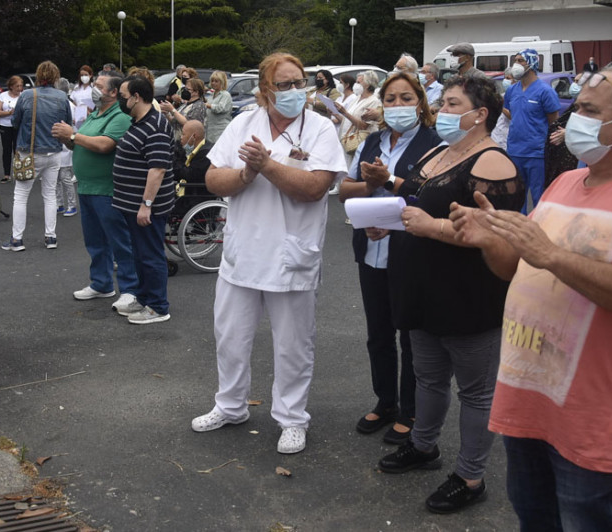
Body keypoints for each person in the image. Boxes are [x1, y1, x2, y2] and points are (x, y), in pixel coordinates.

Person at [450, 64, 612, 530]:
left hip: (592, 414)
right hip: (528, 399)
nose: (570, 118)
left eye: (586, 109)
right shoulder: (566, 183)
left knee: (589, 520)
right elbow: (517, 267)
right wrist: (490, 239)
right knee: (534, 517)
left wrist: (551, 255)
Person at [375, 74, 524, 513]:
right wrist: (393, 215)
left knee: (476, 391)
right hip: (422, 289)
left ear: (480, 115)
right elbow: (418, 201)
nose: (442, 111)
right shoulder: (442, 151)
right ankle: (424, 446)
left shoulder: (494, 163)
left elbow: (501, 237)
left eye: (452, 104)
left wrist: (431, 227)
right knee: (428, 377)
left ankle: (470, 476)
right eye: (443, 103)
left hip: (467, 294)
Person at [191, 52, 347, 454]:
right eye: (285, 85)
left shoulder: (320, 128)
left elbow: (315, 188)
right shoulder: (245, 123)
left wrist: (265, 165)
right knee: (230, 337)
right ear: (264, 91)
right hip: (243, 254)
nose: (296, 91)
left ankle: (293, 419)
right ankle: (230, 405)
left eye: (300, 83)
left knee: (294, 345)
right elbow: (212, 178)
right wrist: (245, 174)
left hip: (290, 255)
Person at [338, 71, 441, 446]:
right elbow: (343, 192)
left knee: (412, 337)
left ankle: (411, 410)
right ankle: (386, 402)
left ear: (421, 102)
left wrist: (391, 210)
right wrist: (369, 185)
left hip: (411, 253)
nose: (398, 106)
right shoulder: (373, 141)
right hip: (370, 251)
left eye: (406, 98)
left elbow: (436, 200)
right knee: (378, 334)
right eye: (391, 99)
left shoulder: (436, 143)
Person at [52, 73, 141, 316]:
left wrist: (72, 135)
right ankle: (101, 284)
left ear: (114, 92)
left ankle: (130, 289)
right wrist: (69, 138)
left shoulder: (120, 116)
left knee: (120, 241)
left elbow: (104, 145)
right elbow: (83, 141)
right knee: (95, 240)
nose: (93, 89)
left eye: (99, 86)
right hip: (88, 186)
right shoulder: (95, 113)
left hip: (107, 188)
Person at [110, 75, 175, 324]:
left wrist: (146, 205)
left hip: (147, 207)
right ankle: (145, 298)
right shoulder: (139, 121)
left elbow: (157, 169)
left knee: (150, 255)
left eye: (123, 97)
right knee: (140, 254)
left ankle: (158, 307)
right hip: (133, 205)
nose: (120, 101)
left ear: (137, 97)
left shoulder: (155, 125)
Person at [2, 61, 72, 252]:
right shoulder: (61, 96)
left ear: (38, 76)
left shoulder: (26, 95)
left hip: (29, 152)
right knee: (49, 195)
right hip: (54, 151)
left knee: (21, 195)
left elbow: (15, 121)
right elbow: (68, 123)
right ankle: (51, 237)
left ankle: (17, 239)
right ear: (56, 77)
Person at [504, 49, 560, 211]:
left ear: (533, 63)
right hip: (514, 150)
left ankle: (539, 229)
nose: (517, 64)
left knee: (538, 196)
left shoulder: (545, 91)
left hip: (536, 153)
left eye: (521, 60)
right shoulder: (512, 90)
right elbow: (510, 113)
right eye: (515, 60)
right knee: (516, 196)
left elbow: (553, 122)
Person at [334, 71, 382, 169]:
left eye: (359, 82)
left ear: (368, 85)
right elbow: (348, 121)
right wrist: (335, 112)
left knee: (352, 170)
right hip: (346, 140)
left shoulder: (373, 101)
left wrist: (345, 113)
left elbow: (363, 126)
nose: (356, 85)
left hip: (357, 144)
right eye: (356, 82)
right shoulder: (357, 98)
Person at [55, 77, 78, 217]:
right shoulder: (57, 104)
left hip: (66, 146)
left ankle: (72, 205)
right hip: (56, 146)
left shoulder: (71, 106)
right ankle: (59, 204)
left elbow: (77, 125)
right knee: (55, 179)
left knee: (65, 178)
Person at [0, 75, 23, 183]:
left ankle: (18, 171)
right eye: (17, 86)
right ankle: (6, 174)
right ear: (11, 86)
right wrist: (9, 112)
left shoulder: (22, 96)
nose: (19, 88)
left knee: (17, 149)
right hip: (5, 125)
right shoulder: (3, 96)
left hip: (18, 125)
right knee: (6, 149)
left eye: (21, 86)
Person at [160, 77, 206, 142]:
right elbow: (175, 122)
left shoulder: (199, 105)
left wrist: (172, 110)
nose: (185, 91)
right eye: (185, 88)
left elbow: (189, 124)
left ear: (196, 92)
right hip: (176, 140)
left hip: (188, 142)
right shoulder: (185, 104)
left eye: (188, 89)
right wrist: (167, 113)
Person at [204, 70, 232, 145]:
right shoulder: (211, 94)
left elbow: (220, 108)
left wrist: (208, 105)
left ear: (222, 82)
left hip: (220, 130)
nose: (213, 83)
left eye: (216, 81)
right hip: (210, 130)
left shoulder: (225, 95)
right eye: (212, 81)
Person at [490, 68, 514, 150]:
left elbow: (513, 116)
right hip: (495, 139)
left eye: (508, 78)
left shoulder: (519, 97)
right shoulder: (502, 96)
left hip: (508, 141)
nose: (505, 81)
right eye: (505, 78)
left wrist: (501, 106)